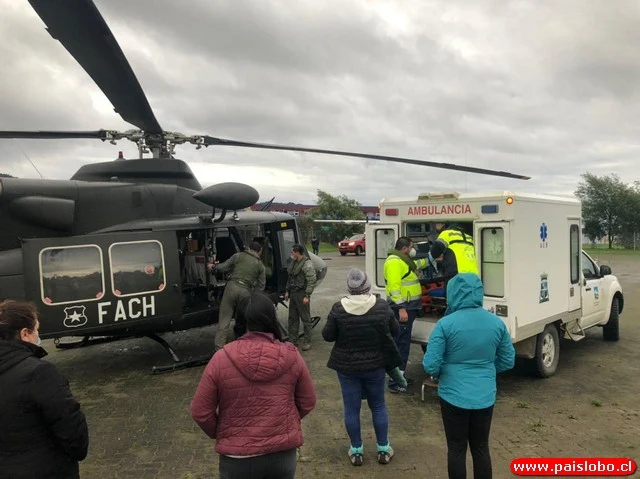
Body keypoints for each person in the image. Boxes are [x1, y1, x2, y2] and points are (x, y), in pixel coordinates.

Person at [191, 291, 317, 479]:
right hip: (281, 456)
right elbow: (308, 401)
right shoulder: (292, 356)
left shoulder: (221, 358)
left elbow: (200, 411)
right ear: (271, 318)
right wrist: (284, 421)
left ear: (240, 320)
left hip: (237, 459)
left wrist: (223, 432)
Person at [423, 273, 515, 479]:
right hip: (485, 395)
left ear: (452, 294)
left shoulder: (445, 325)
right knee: (481, 447)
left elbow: (430, 364)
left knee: (456, 449)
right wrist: (488, 372)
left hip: (453, 395)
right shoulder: (497, 323)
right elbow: (508, 360)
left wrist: (439, 375)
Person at [322, 268, 405, 466]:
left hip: (347, 368)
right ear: (367, 286)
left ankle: (356, 450)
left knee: (351, 408)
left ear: (349, 288)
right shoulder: (381, 307)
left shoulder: (338, 309)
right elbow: (396, 331)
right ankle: (383, 449)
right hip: (375, 366)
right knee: (378, 405)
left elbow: (327, 335)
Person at [0, 300, 89, 479]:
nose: (38, 336)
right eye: (37, 329)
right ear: (25, 333)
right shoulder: (40, 373)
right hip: (46, 469)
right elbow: (74, 434)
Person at [383, 236, 429, 393]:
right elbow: (394, 287)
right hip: (402, 309)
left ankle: (399, 379)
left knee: (402, 342)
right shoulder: (394, 262)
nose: (413, 249)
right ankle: (395, 383)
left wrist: (431, 258)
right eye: (411, 247)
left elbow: (414, 266)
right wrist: (401, 307)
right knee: (401, 344)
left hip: (408, 308)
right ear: (404, 249)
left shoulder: (402, 260)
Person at [209, 241, 266, 352]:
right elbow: (261, 286)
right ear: (259, 252)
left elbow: (223, 267)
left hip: (231, 288)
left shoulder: (238, 256)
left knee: (224, 320)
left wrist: (213, 267)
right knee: (244, 320)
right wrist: (254, 296)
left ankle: (219, 349)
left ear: (249, 248)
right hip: (246, 292)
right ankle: (246, 346)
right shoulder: (260, 265)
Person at [285, 244, 317, 351]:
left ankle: (307, 341)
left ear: (297, 253)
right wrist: (287, 291)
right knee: (292, 318)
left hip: (302, 293)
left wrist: (307, 295)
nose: (291, 254)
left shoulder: (307, 264)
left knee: (306, 318)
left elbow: (311, 280)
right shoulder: (293, 263)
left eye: (292, 252)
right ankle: (292, 340)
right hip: (293, 294)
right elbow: (290, 278)